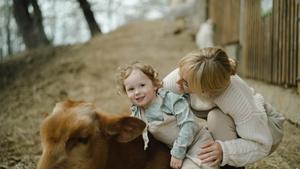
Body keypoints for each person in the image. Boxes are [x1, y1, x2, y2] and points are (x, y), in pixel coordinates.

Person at [163, 47, 285, 169]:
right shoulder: (188, 74)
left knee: (216, 119)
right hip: (234, 123)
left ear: (205, 90)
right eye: (180, 73)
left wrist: (225, 150)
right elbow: (156, 96)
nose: (177, 81)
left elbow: (261, 144)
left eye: (185, 83)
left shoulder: (236, 98)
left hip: (264, 130)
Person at [116, 62, 218, 169]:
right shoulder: (136, 113)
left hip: (197, 143)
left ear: (154, 85)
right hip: (176, 151)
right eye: (131, 89)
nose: (137, 92)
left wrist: (178, 152)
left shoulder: (169, 100)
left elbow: (189, 124)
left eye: (142, 85)